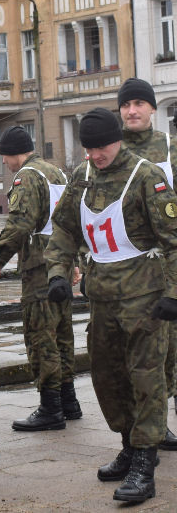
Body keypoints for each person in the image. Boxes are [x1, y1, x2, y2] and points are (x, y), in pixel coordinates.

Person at [45, 107, 177, 504]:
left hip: (145, 301)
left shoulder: (146, 176)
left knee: (146, 380)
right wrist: (57, 272)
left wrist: (173, 293)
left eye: (101, 147)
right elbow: (65, 228)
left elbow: (173, 240)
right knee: (108, 378)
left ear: (116, 140)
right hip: (101, 299)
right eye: (88, 148)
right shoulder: (82, 179)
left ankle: (145, 462)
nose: (95, 155)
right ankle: (128, 444)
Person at [0, 126, 81, 431]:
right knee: (64, 333)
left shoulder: (26, 176)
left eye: (4, 156)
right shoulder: (56, 174)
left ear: (15, 153)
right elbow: (71, 222)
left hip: (39, 268)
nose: (4, 162)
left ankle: (50, 407)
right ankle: (70, 401)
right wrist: (75, 262)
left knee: (41, 337)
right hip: (60, 265)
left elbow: (19, 223)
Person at [117, 77, 177, 450]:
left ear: (153, 109)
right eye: (126, 104)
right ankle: (138, 432)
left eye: (140, 103)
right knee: (132, 356)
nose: (132, 110)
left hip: (167, 265)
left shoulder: (168, 147)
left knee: (169, 351)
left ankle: (161, 423)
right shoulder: (111, 149)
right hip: (125, 271)